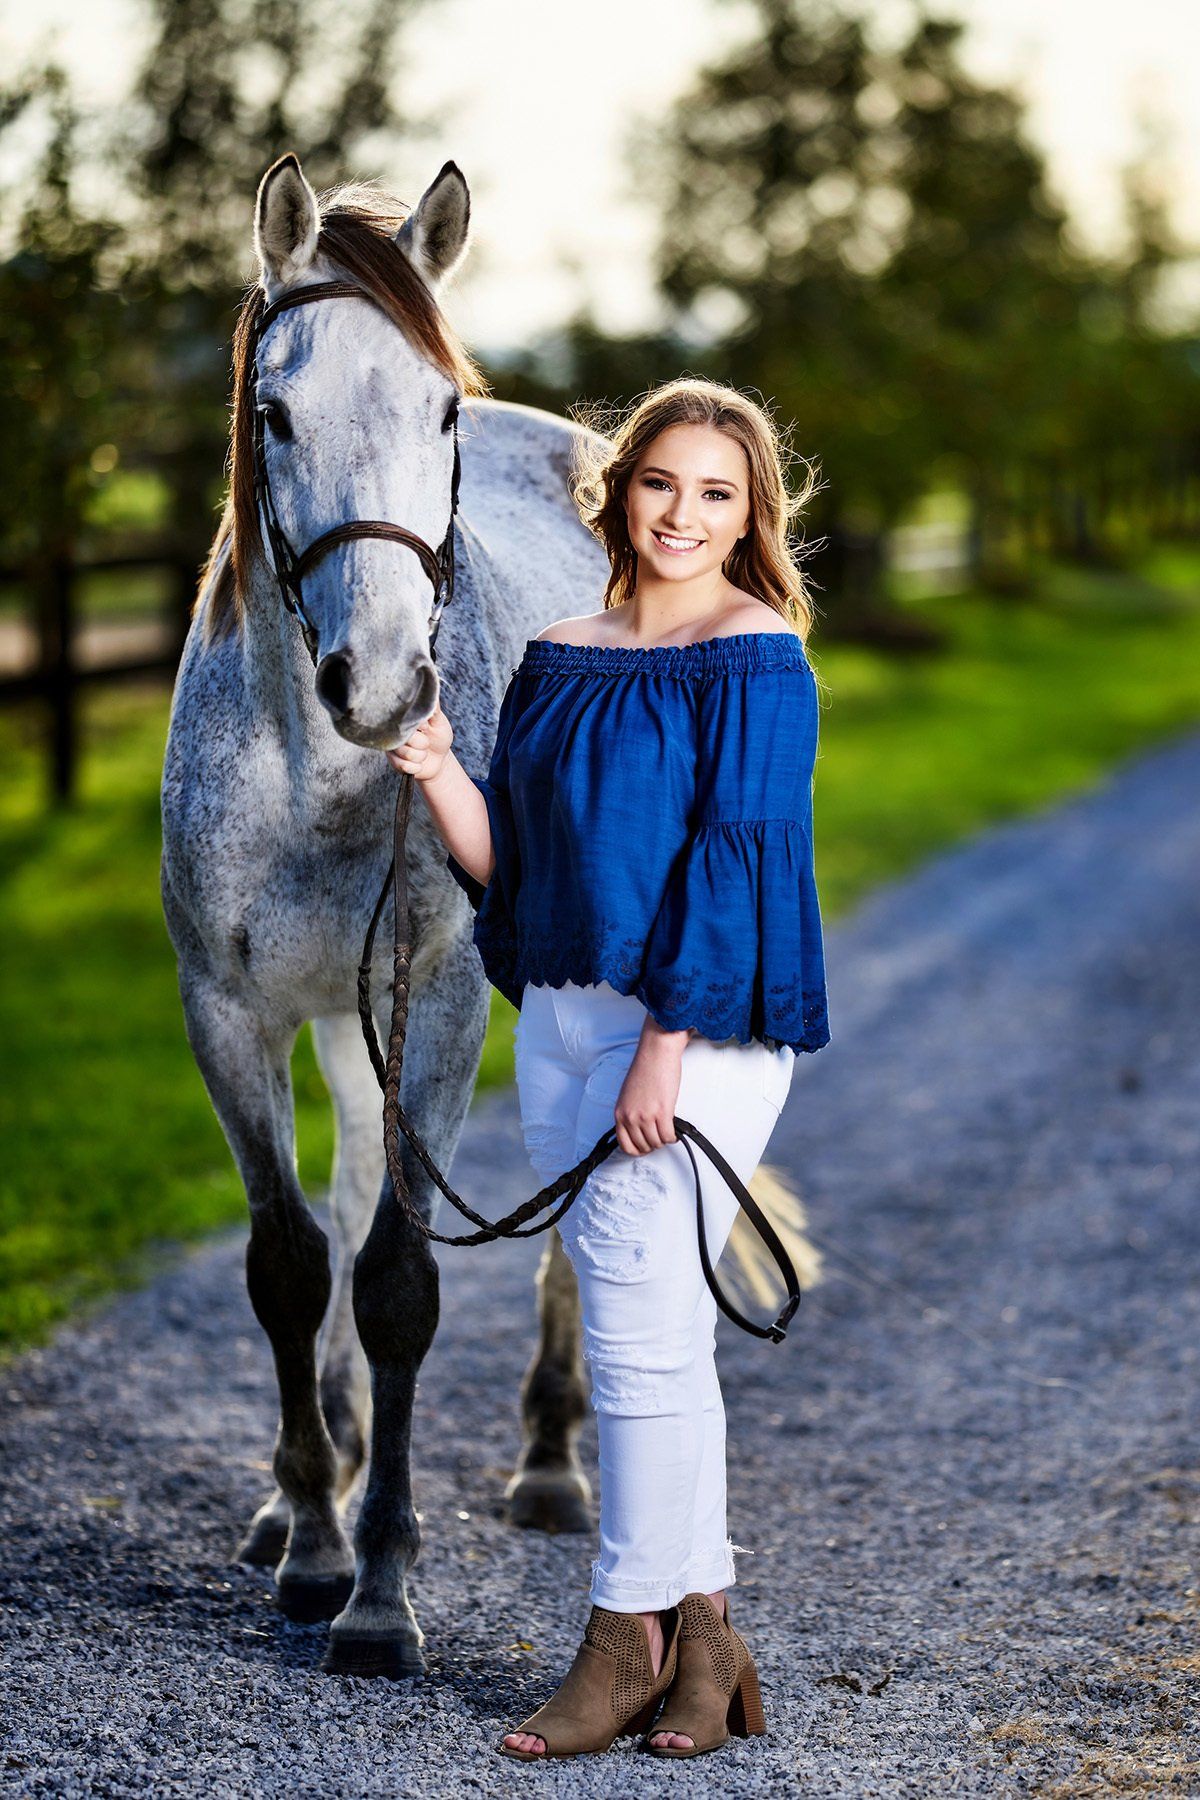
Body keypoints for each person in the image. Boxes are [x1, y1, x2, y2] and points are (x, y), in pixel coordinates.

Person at [387, 376, 830, 1761]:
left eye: (718, 493)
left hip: (696, 1036)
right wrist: (447, 777)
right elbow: (521, 870)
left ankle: (618, 1642)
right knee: (656, 1338)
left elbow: (731, 863)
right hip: (572, 1028)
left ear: (751, 514)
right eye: (663, 484)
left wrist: (663, 1051)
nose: (684, 515)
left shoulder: (757, 655)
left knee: (632, 1336)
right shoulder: (561, 651)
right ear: (619, 489)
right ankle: (710, 1645)